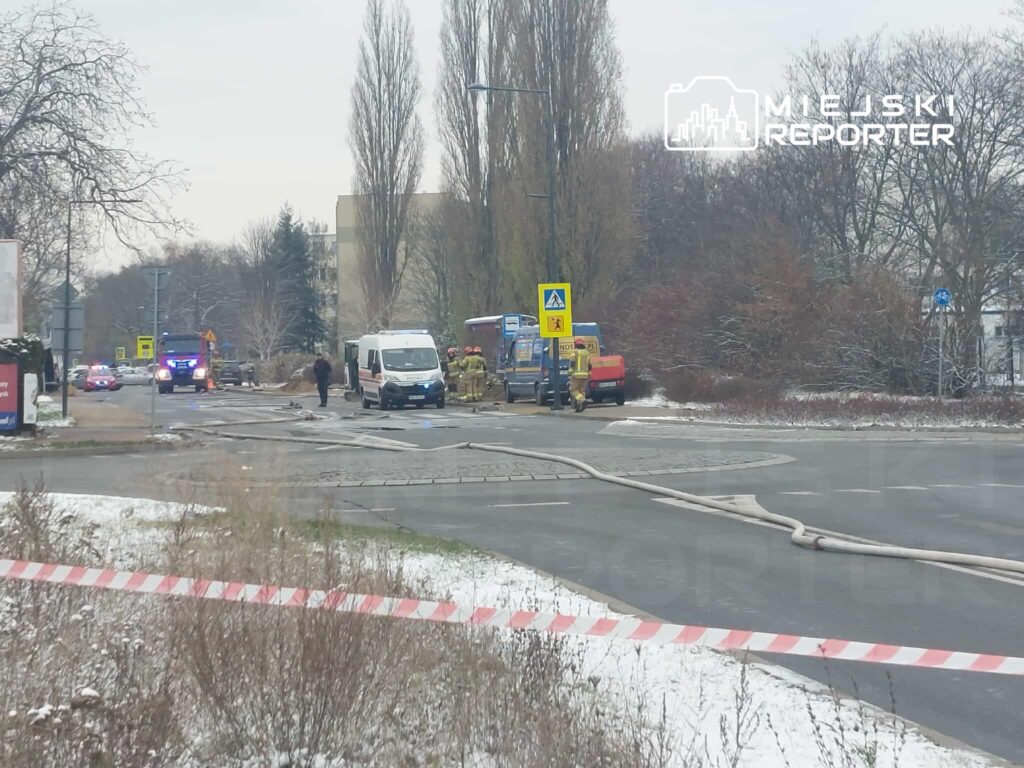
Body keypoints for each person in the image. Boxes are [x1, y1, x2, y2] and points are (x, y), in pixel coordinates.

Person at [569, 337, 592, 412]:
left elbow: (572, 364)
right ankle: (579, 407)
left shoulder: (574, 352)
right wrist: (589, 373)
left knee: (573, 390)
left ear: (575, 344)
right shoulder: (586, 353)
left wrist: (570, 373)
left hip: (576, 375)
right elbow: (589, 365)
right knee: (581, 390)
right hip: (585, 375)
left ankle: (582, 400)